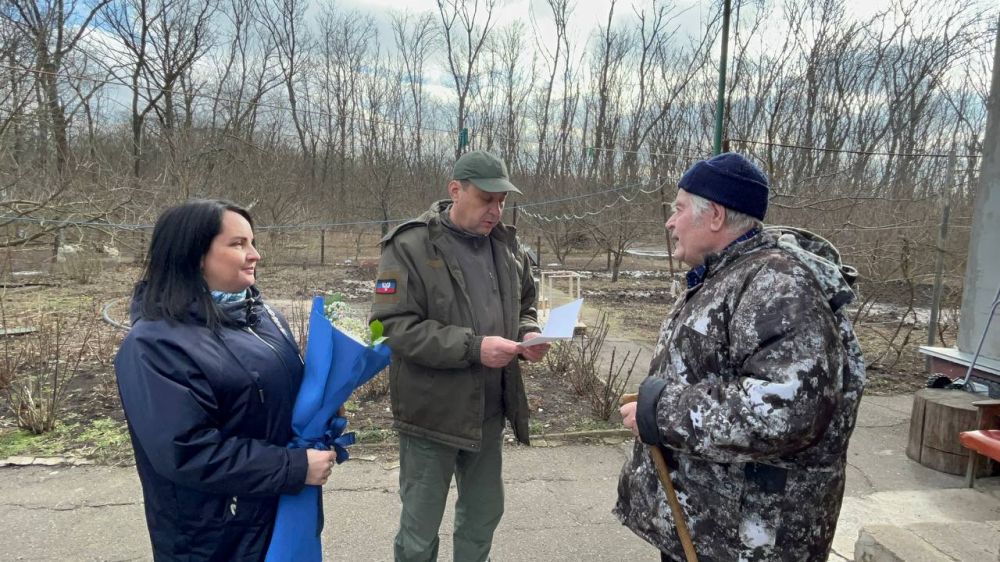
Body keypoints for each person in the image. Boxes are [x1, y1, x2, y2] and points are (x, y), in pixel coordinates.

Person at [615, 153, 866, 561]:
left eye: (678, 209)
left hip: (752, 541)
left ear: (713, 215)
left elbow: (786, 412)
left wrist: (660, 412)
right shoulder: (730, 275)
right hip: (711, 527)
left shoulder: (777, 285)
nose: (670, 222)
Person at [114, 199, 338, 561]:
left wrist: (325, 414)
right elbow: (187, 451)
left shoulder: (261, 316)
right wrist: (293, 467)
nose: (255, 255)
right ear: (194, 255)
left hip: (280, 509)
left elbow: (278, 398)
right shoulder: (154, 345)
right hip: (216, 533)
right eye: (238, 244)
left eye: (252, 242)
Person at [371, 150, 549, 562]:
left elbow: (525, 303)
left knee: (484, 515)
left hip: (488, 412)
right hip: (431, 415)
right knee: (419, 530)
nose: (496, 210)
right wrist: (474, 347)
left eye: (502, 201)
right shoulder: (409, 245)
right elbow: (391, 328)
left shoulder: (506, 246)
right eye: (487, 199)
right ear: (456, 190)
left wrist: (528, 333)